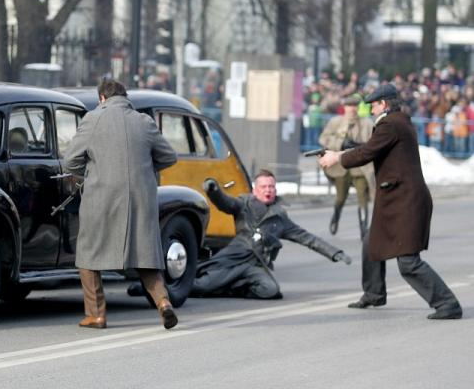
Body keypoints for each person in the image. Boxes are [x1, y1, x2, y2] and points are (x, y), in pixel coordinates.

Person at [319, 84, 462, 319]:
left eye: (373, 105)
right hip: (397, 199)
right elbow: (373, 148)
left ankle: (447, 304)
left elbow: (367, 153)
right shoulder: (397, 122)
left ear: (383, 104)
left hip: (406, 201)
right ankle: (374, 293)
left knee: (408, 262)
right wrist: (347, 150)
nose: (371, 110)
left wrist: (338, 157)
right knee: (370, 243)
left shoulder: (390, 124)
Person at [63, 79, 179, 329]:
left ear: (102, 98)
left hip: (101, 197)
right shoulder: (144, 121)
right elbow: (169, 157)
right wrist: (145, 168)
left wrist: (91, 173)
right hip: (140, 199)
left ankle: (97, 314)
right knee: (146, 256)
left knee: (89, 254)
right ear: (125, 97)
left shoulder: (93, 119)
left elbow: (70, 161)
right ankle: (163, 303)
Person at [191, 170, 351, 300]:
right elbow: (225, 202)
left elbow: (308, 239)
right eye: (264, 187)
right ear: (255, 190)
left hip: (255, 265)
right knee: (200, 286)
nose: (268, 190)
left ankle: (235, 288)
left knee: (270, 290)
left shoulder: (280, 218)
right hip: (234, 258)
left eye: (271, 187)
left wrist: (335, 253)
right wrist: (214, 190)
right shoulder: (243, 205)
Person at [318, 93, 375, 237]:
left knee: (363, 196)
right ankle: (336, 216)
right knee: (341, 197)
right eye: (349, 106)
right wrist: (340, 143)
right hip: (340, 166)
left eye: (355, 106)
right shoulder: (336, 122)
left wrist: (360, 146)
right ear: (344, 107)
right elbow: (324, 139)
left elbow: (374, 143)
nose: (352, 109)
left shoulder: (367, 123)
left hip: (360, 167)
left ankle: (364, 229)